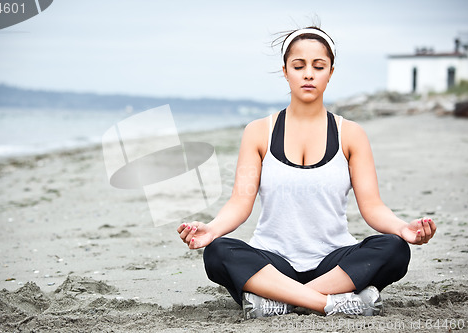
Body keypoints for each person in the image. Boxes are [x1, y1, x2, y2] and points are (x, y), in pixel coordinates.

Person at [176, 26, 436, 319]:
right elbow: (240, 202)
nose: (308, 74)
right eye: (298, 66)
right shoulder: (259, 132)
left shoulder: (351, 134)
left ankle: (281, 301)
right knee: (218, 252)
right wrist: (212, 230)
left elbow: (372, 206)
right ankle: (327, 303)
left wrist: (402, 228)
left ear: (331, 72)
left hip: (333, 262)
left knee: (394, 249)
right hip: (273, 263)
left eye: (318, 66)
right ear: (285, 72)